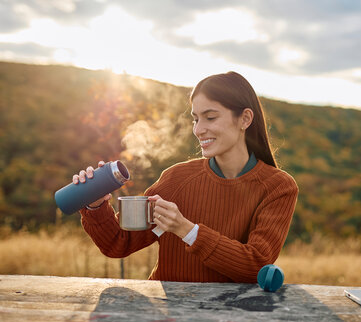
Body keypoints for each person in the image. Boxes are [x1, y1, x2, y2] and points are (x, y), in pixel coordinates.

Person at [74, 71, 298, 283]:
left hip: (232, 318)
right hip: (167, 316)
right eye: (195, 119)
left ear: (245, 119)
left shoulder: (278, 187)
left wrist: (186, 230)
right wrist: (95, 206)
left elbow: (256, 265)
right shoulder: (176, 179)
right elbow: (118, 244)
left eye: (210, 117)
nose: (199, 130)